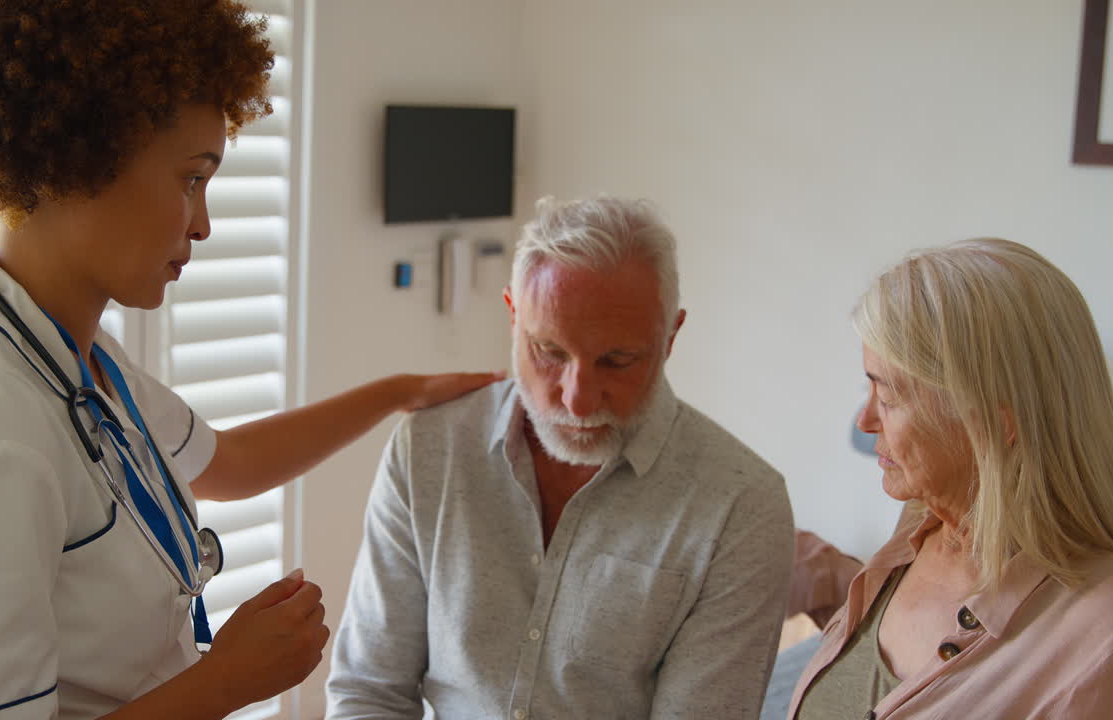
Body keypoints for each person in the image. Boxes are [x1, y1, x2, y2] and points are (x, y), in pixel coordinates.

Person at [0, 2, 499, 718]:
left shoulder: (73, 357)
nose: (203, 223)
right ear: (80, 157)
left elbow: (230, 464)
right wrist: (229, 680)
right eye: (191, 178)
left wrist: (399, 392)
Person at [326, 196, 795, 719]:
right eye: (549, 353)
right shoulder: (431, 448)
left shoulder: (742, 507)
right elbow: (369, 690)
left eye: (616, 361)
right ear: (512, 316)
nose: (576, 400)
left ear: (670, 338)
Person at [788, 239, 1113, 719]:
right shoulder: (918, 530)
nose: (864, 421)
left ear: (994, 423)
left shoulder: (1106, 640)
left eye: (888, 395)